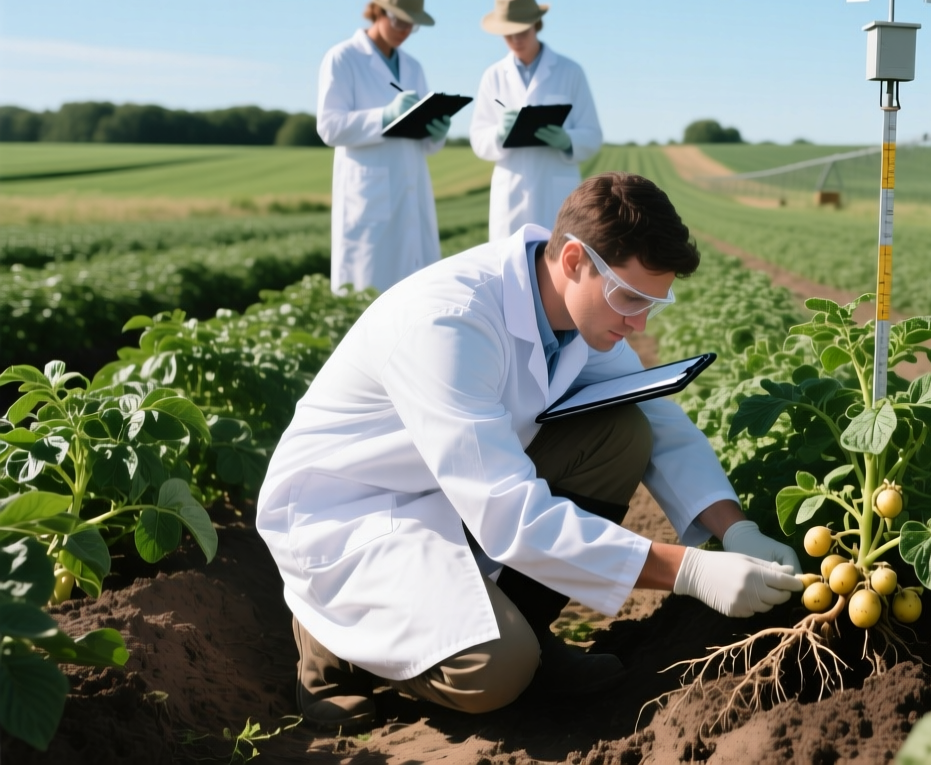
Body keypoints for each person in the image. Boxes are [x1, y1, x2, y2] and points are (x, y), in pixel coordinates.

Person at [255, 173, 803, 729]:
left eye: (652, 304)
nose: (638, 321)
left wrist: (735, 529)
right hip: (354, 516)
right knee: (495, 671)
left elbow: (659, 419)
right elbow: (509, 514)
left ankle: (528, 635)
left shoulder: (579, 314)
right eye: (630, 297)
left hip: (451, 489)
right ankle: (332, 644)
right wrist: (690, 571)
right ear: (574, 260)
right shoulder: (451, 323)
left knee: (622, 435)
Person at [317, 0, 453, 292]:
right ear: (377, 10)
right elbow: (329, 127)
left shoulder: (413, 67)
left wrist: (436, 132)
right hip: (369, 198)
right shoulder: (343, 58)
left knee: (416, 293)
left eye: (411, 24)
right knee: (366, 294)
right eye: (399, 21)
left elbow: (425, 145)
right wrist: (385, 117)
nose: (405, 30)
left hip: (411, 190)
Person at [470, 0, 604, 241]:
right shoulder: (493, 76)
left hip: (556, 192)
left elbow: (593, 134)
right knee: (509, 259)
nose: (515, 39)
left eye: (522, 31)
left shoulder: (570, 72)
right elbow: (478, 139)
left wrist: (568, 141)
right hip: (511, 193)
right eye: (508, 33)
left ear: (536, 24)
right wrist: (499, 134)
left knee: (559, 257)